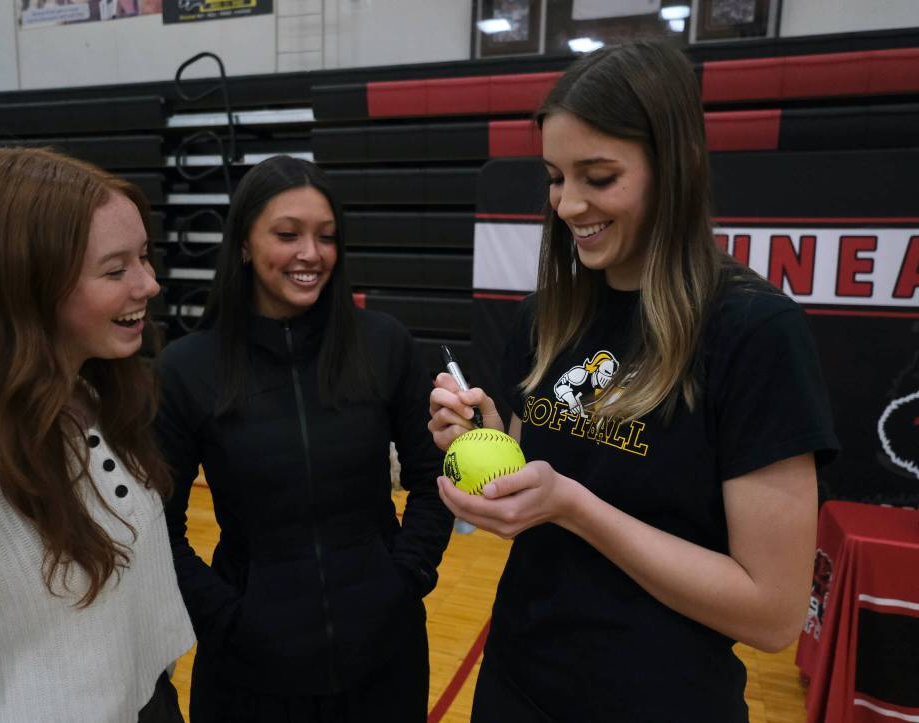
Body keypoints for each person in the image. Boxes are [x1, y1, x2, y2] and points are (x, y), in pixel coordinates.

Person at [429, 42, 839, 722]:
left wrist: (575, 507)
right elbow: (539, 471)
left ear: (674, 169)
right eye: (556, 177)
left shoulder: (753, 332)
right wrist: (484, 443)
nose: (567, 204)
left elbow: (772, 613)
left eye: (598, 176)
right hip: (518, 683)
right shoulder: (549, 315)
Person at [0, 147, 195, 722]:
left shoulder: (93, 400)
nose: (149, 284)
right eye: (116, 270)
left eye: (144, 258)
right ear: (24, 288)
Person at [155, 155, 453, 722]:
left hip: (383, 662)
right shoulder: (186, 368)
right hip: (249, 672)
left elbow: (433, 478)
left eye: (326, 237)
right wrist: (226, 618)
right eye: (287, 235)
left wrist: (404, 579)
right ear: (244, 243)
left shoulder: (383, 344)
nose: (310, 254)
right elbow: (156, 528)